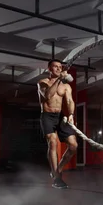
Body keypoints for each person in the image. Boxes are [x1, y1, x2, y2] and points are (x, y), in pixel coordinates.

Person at [37, 59, 77, 189]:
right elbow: (48, 95)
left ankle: (57, 169)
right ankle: (57, 178)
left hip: (60, 116)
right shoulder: (42, 83)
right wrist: (59, 79)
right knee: (53, 142)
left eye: (60, 67)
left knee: (73, 145)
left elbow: (70, 101)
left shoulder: (66, 86)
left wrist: (71, 114)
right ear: (49, 69)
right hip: (47, 116)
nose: (59, 69)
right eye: (55, 67)